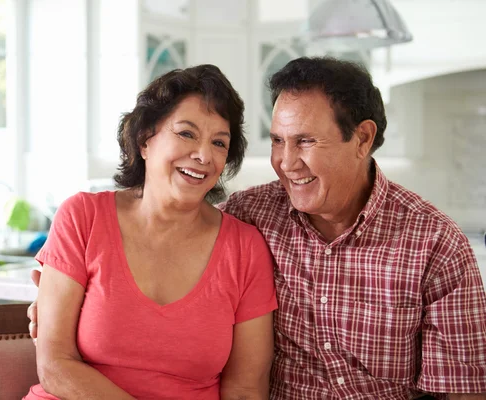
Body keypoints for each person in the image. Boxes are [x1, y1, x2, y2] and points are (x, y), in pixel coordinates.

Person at [29, 57, 486, 399]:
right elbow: (61, 352)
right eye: (278, 141)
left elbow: (464, 391)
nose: (287, 164)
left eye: (306, 141)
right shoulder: (254, 215)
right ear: (145, 138)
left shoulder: (436, 246)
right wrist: (49, 298)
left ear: (362, 139)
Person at [23, 64, 278, 400]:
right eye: (186, 133)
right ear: (144, 140)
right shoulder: (83, 216)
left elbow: (245, 390)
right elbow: (55, 364)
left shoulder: (245, 248)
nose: (203, 155)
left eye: (219, 142)